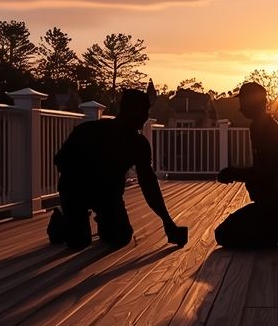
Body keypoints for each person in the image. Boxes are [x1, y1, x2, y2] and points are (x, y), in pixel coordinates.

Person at [49, 89, 187, 250]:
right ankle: (61, 220)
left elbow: (149, 184)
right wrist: (87, 178)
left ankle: (102, 218)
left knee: (121, 236)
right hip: (76, 191)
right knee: (79, 242)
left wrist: (167, 221)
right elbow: (60, 160)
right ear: (128, 110)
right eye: (143, 111)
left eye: (146, 111)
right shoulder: (89, 130)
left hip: (107, 196)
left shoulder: (138, 144)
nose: (145, 116)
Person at [214, 82, 278, 249]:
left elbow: (265, 171)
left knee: (224, 234)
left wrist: (234, 173)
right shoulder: (261, 126)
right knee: (225, 233)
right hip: (271, 201)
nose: (241, 107)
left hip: (276, 203)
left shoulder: (266, 129)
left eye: (243, 102)